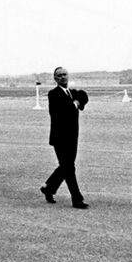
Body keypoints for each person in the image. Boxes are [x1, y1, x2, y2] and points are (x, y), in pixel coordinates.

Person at [40, 67, 88, 208]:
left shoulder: (73, 93)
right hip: (60, 138)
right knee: (69, 167)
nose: (62, 77)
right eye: (59, 76)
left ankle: (49, 188)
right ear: (55, 79)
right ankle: (77, 198)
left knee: (66, 166)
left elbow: (84, 95)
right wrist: (74, 104)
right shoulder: (53, 94)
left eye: (64, 74)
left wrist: (78, 102)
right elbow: (62, 111)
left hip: (72, 136)